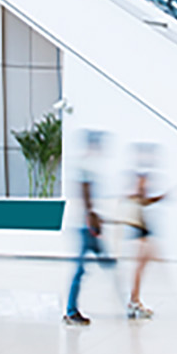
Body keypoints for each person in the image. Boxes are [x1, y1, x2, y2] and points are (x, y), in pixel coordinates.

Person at [64, 130, 115, 326]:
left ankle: (71, 309)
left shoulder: (87, 166)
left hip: (87, 224)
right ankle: (70, 311)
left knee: (103, 264)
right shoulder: (86, 166)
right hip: (85, 226)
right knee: (81, 269)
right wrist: (92, 220)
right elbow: (86, 197)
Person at [124, 146, 166, 320]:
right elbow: (139, 198)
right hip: (139, 225)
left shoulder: (141, 176)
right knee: (141, 264)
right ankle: (134, 302)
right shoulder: (139, 177)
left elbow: (142, 199)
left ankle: (134, 300)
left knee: (144, 262)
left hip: (142, 225)